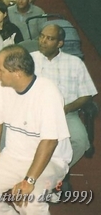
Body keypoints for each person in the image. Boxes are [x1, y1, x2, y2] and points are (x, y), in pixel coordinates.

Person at [0, 45, 71, 215]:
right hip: (13, 156)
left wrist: (29, 180)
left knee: (27, 201)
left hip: (50, 161)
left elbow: (50, 141)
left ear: (17, 73)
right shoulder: (3, 87)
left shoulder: (48, 92)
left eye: (0, 69)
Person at [31, 24, 97, 171]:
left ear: (59, 43)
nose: (43, 41)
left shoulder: (75, 62)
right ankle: (39, 170)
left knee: (80, 141)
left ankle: (57, 171)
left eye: (49, 38)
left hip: (66, 114)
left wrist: (67, 108)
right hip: (35, 114)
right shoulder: (29, 60)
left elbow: (86, 94)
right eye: (42, 36)